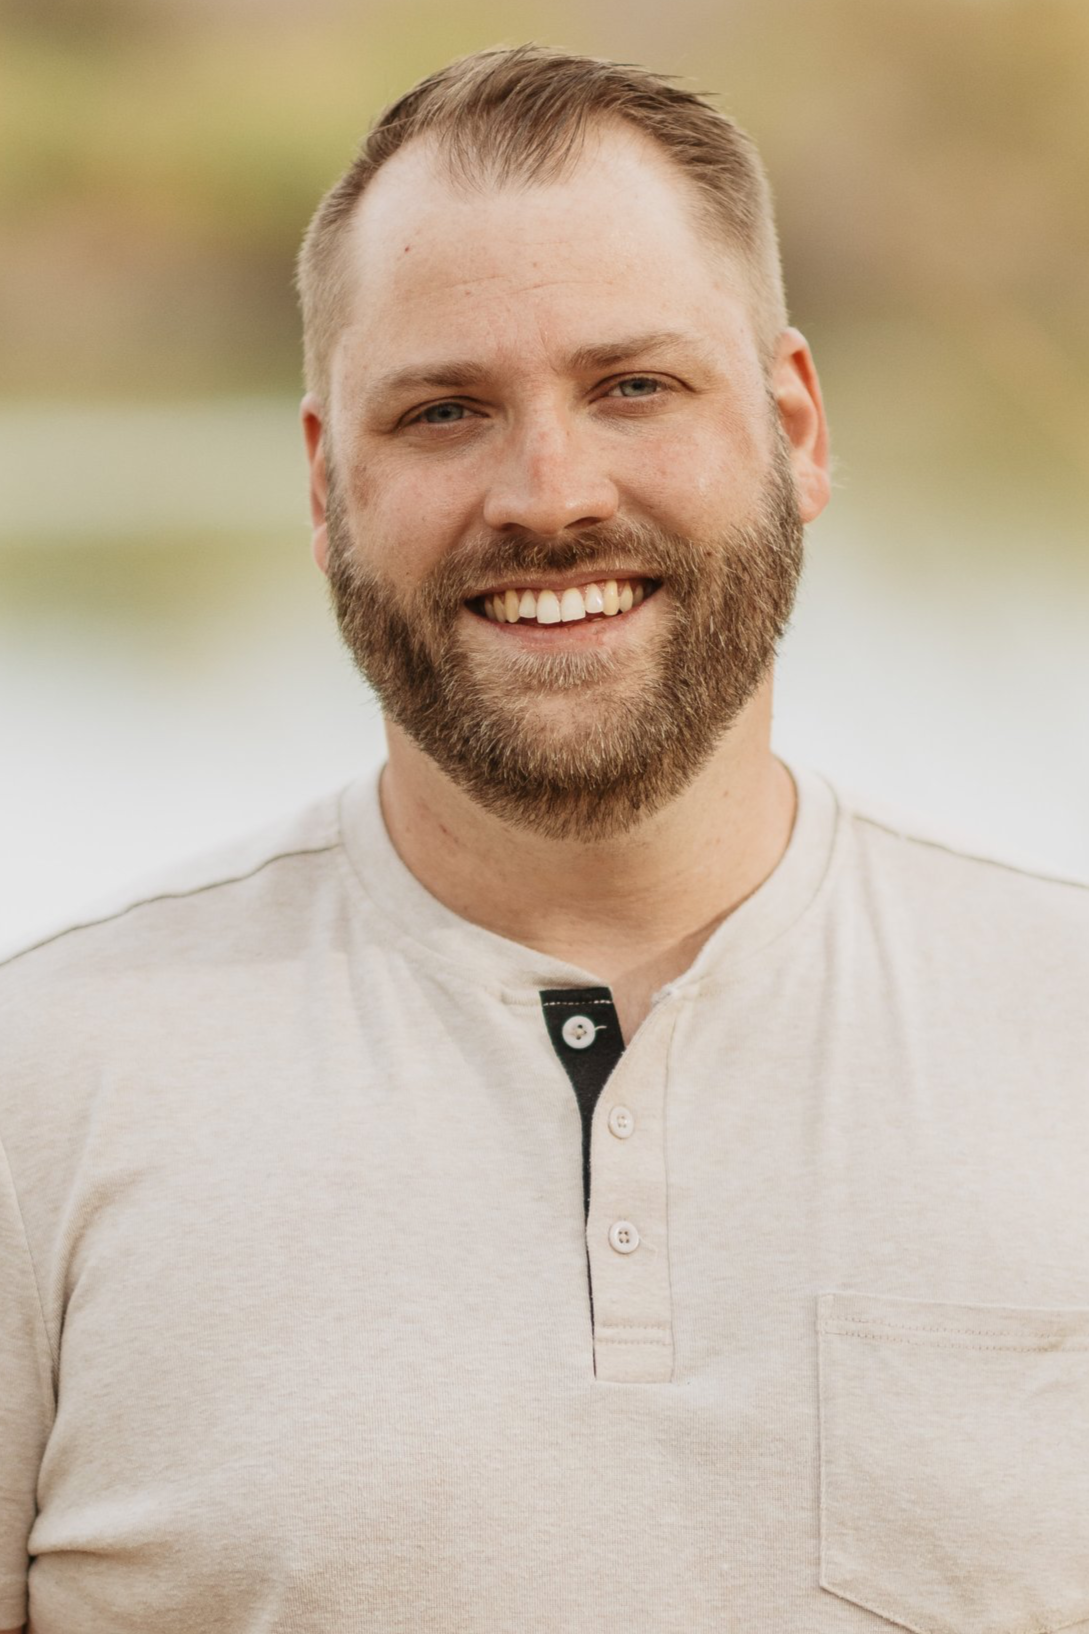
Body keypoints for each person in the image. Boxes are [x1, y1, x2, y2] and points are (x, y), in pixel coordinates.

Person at [2, 42, 1088, 1634]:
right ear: (325, 487)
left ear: (797, 423)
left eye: (633, 385)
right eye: (444, 410)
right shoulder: (45, 1086)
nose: (547, 490)